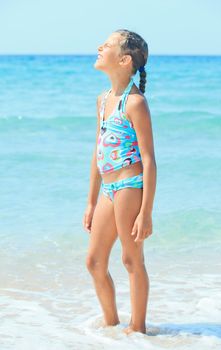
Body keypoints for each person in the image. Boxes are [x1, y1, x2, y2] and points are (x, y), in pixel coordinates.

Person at [83, 29, 157, 335]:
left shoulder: (135, 103)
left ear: (125, 60)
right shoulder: (103, 101)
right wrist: (90, 200)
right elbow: (98, 150)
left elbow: (149, 159)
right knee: (94, 262)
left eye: (108, 45)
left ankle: (137, 328)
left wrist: (146, 212)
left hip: (130, 185)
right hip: (107, 190)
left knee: (130, 258)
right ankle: (111, 324)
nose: (100, 46)